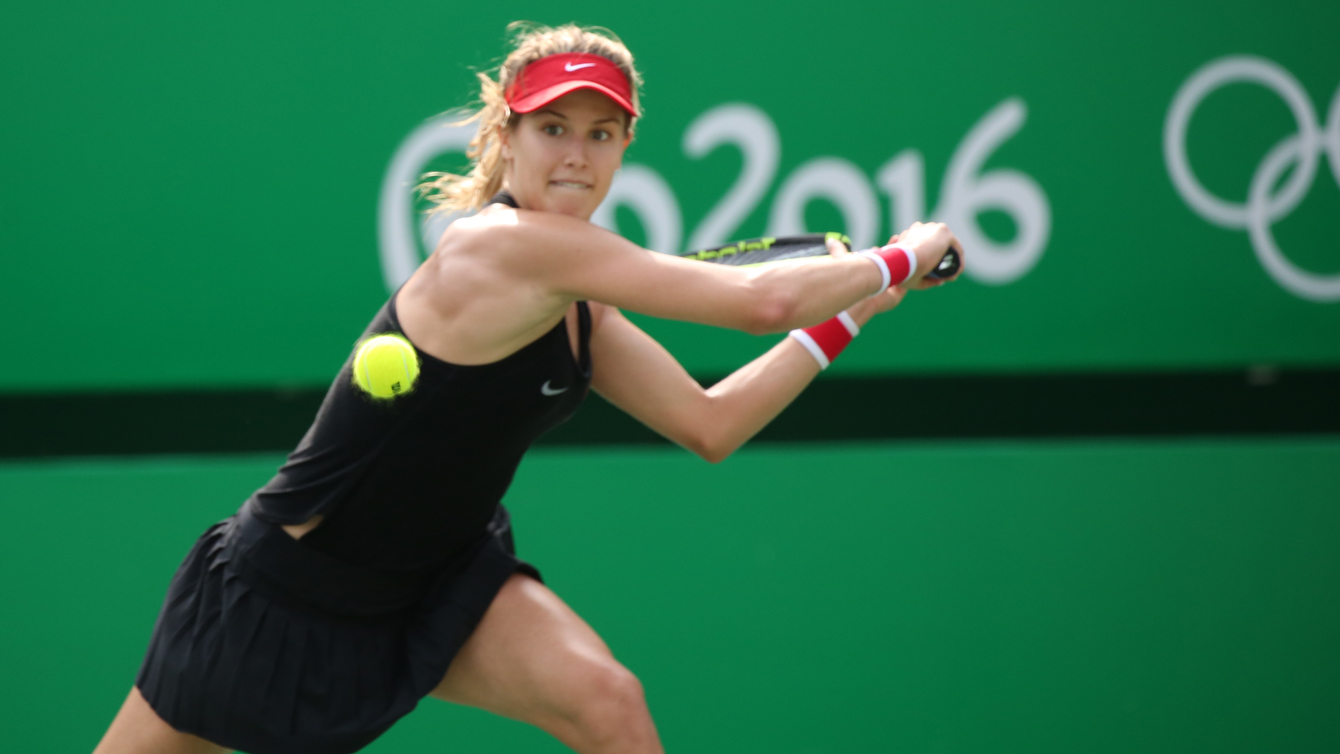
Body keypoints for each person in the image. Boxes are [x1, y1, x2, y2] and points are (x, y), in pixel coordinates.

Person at [93, 22, 963, 754]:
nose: (576, 154)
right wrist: (907, 252)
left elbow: (712, 422)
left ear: (626, 146)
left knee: (610, 704)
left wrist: (859, 310)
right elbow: (761, 300)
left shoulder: (579, 292)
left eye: (599, 132)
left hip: (437, 580)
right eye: (553, 128)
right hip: (281, 596)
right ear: (505, 137)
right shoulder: (495, 248)